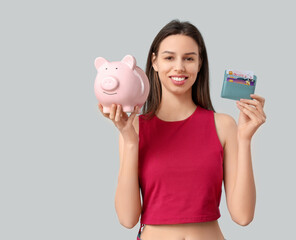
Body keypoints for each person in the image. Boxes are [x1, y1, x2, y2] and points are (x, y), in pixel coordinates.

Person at [98, 19, 266, 240]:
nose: (179, 67)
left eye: (189, 58)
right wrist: (129, 141)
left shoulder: (223, 125)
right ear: (155, 62)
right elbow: (128, 219)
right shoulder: (134, 128)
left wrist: (244, 140)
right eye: (169, 57)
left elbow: (243, 216)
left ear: (199, 64)